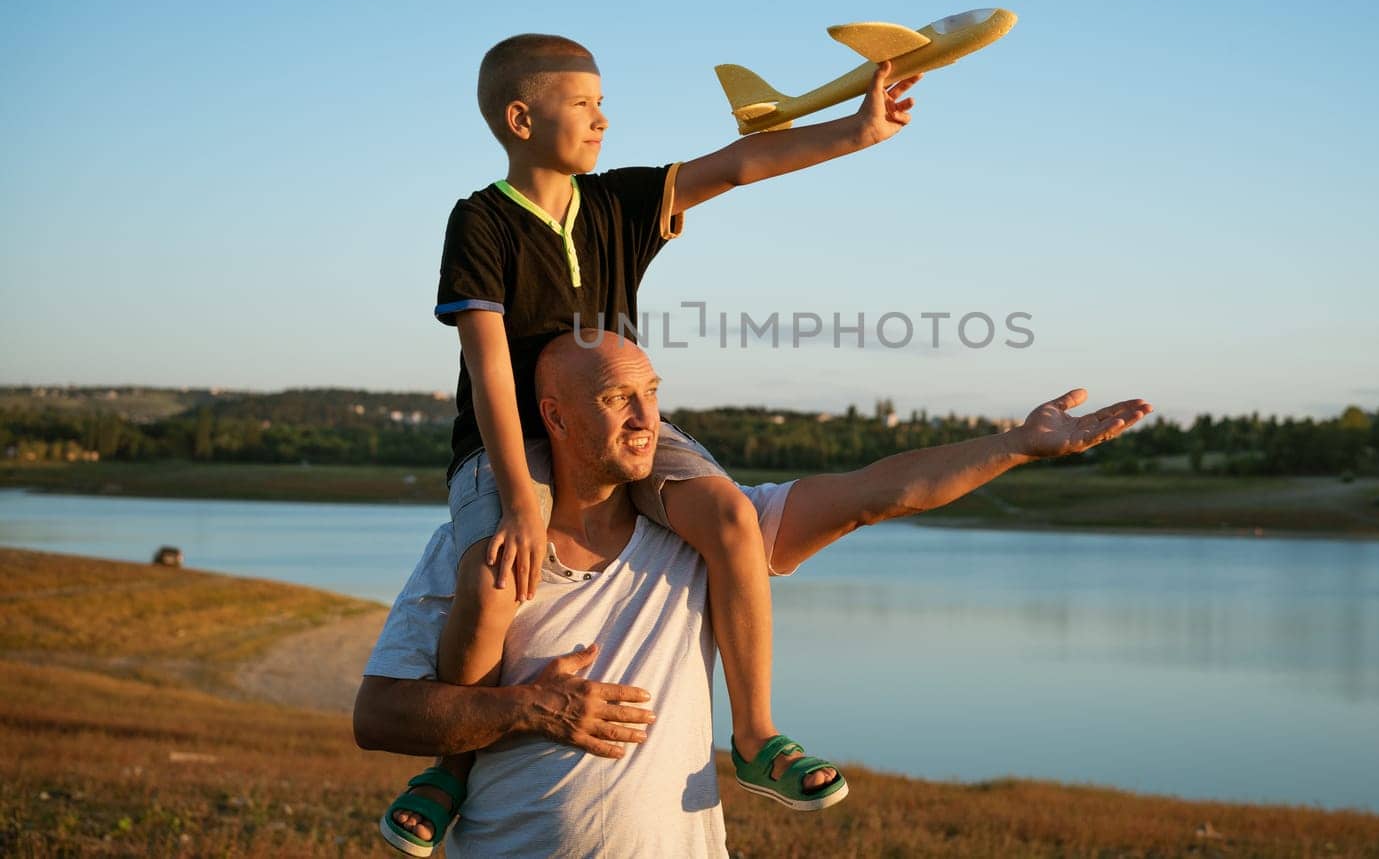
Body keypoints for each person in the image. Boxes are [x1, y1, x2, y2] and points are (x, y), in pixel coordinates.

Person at [381, 33, 924, 855]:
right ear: (521, 118)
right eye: (585, 104)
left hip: (625, 429)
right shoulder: (481, 220)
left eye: (603, 103)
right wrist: (522, 502)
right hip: (512, 444)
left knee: (731, 519)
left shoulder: (614, 203)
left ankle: (756, 738)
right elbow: (489, 366)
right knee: (492, 573)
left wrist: (857, 131)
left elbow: (738, 165)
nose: (604, 118)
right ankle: (450, 767)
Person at [356, 331, 1152, 857]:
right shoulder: (478, 553)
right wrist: (528, 707)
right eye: (614, 399)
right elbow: (379, 714)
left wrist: (1017, 444)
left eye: (652, 394)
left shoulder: (700, 536)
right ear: (554, 418)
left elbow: (881, 491)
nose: (646, 419)